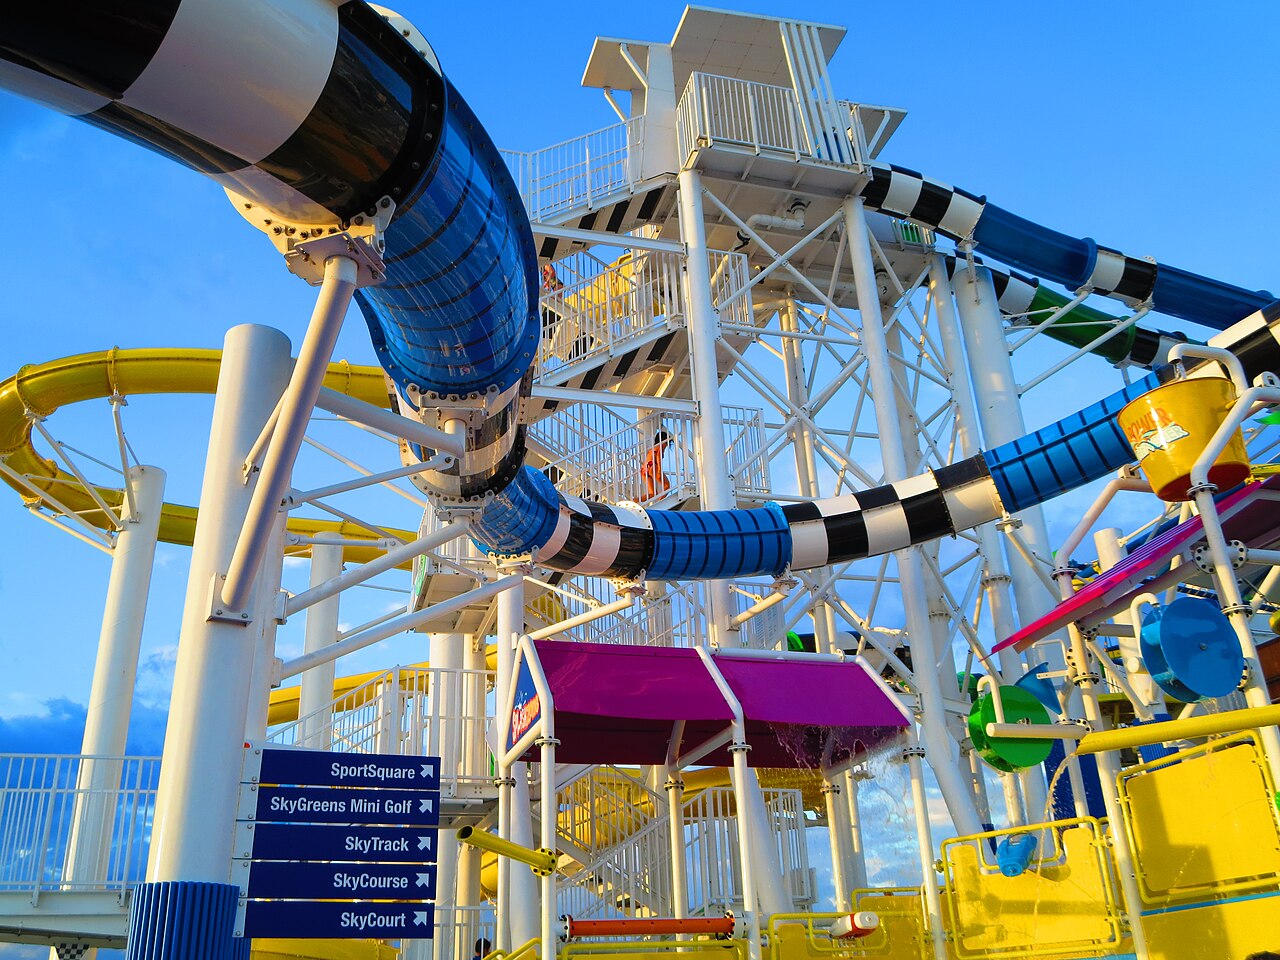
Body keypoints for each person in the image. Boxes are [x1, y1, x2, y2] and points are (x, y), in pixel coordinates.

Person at [641, 429, 673, 499]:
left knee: (653, 494)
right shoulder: (662, 445)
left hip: (644, 469)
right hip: (652, 466)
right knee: (667, 486)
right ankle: (660, 501)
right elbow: (658, 456)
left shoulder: (654, 447)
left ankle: (635, 500)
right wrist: (659, 469)